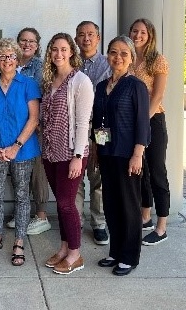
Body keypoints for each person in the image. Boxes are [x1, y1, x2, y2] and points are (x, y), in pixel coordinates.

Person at [0, 38, 41, 266]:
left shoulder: (28, 85)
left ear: (17, 59)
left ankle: (19, 241)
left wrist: (16, 146)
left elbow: (34, 119)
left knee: (22, 196)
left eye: (11, 56)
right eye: (2, 56)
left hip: (22, 151)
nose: (7, 60)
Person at [92, 36, 150, 276]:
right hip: (107, 153)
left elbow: (142, 123)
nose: (118, 57)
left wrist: (138, 153)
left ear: (131, 58)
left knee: (129, 206)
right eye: (114, 52)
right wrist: (97, 148)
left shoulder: (136, 86)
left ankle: (130, 256)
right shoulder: (101, 86)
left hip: (128, 155)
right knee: (111, 204)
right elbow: (99, 122)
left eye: (124, 53)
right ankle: (115, 252)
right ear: (108, 55)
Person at [41, 33, 93, 275]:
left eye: (63, 49)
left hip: (71, 153)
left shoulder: (80, 81)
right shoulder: (49, 81)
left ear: (71, 51)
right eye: (54, 49)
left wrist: (78, 156)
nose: (58, 54)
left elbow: (84, 123)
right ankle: (64, 247)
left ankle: (75, 253)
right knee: (61, 204)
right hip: (51, 152)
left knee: (66, 203)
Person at [5, 28, 51, 236]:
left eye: (31, 41)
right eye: (23, 40)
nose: (27, 44)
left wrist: (40, 124)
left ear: (38, 45)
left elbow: (46, 97)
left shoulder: (40, 67)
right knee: (19, 172)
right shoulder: (11, 65)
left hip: (36, 128)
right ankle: (23, 213)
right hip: (15, 128)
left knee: (37, 173)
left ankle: (41, 216)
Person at [129, 19, 171, 246]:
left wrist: (142, 123)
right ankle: (145, 217)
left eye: (142, 32)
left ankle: (161, 226)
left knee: (156, 172)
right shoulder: (130, 59)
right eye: (134, 31)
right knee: (140, 172)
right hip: (133, 122)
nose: (138, 35)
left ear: (150, 35)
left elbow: (157, 97)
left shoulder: (158, 61)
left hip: (153, 121)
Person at [74, 21, 111, 245]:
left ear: (98, 38)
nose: (86, 38)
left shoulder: (108, 63)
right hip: (76, 127)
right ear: (76, 39)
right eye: (81, 35)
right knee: (75, 177)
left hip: (102, 127)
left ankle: (99, 223)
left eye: (90, 34)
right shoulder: (71, 63)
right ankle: (76, 221)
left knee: (99, 177)